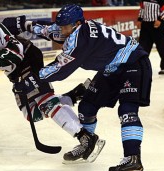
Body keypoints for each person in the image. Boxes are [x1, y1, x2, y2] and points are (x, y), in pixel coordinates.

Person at [0, 2, 105, 161]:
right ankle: (75, 94)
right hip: (14, 73)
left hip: (28, 59)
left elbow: (18, 50)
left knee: (45, 102)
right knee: (31, 114)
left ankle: (85, 138)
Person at [11, 4, 152, 170]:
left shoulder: (80, 41)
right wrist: (21, 24)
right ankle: (87, 145)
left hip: (133, 62)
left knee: (127, 110)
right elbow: (48, 29)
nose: (62, 31)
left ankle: (133, 159)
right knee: (87, 106)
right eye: (62, 27)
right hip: (111, 68)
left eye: (65, 28)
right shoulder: (74, 27)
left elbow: (60, 70)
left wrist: (31, 79)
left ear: (77, 24)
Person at [137, 0, 164, 75]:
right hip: (146, 26)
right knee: (143, 48)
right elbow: (142, 9)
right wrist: (139, 19)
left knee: (162, 48)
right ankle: (142, 67)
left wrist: (160, 20)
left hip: (158, 26)